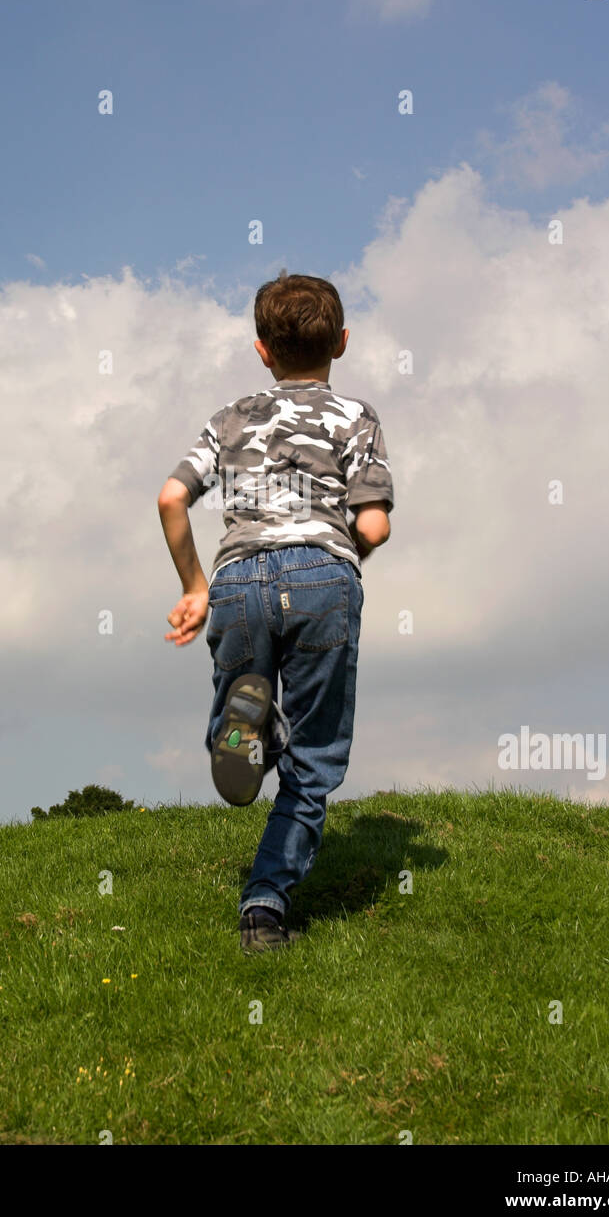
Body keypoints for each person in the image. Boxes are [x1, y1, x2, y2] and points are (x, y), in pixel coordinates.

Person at [157, 271, 393, 952]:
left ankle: (250, 724)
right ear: (342, 343)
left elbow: (172, 498)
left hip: (235, 579)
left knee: (239, 722)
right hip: (322, 575)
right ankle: (264, 906)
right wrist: (335, 560)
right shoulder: (358, 418)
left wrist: (196, 587)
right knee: (315, 760)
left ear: (261, 350)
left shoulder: (230, 417)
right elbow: (372, 526)